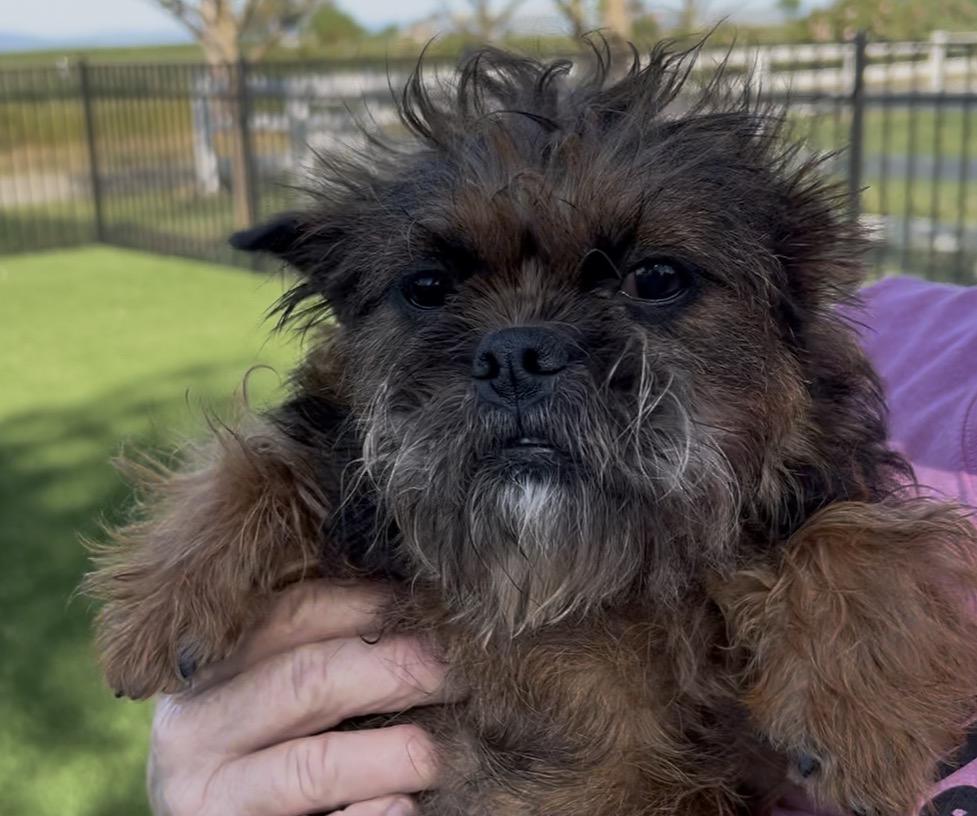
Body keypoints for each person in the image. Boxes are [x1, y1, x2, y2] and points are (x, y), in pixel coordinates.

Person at [146, 277, 977, 816]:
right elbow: (308, 443)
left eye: (651, 287)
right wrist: (224, 766)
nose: (526, 347)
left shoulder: (812, 469)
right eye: (435, 291)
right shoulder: (891, 333)